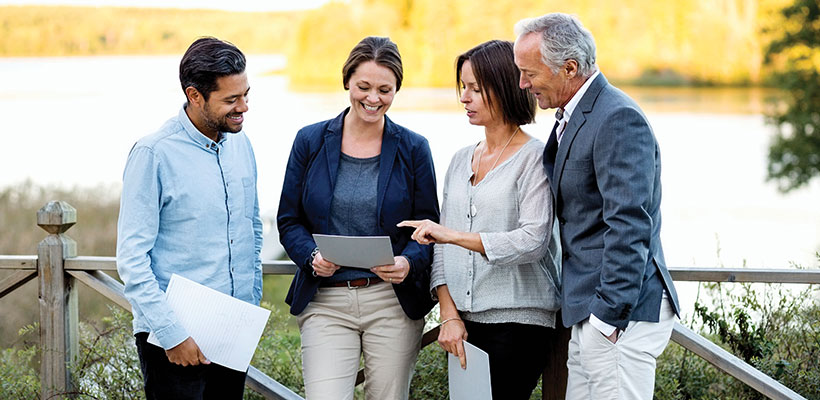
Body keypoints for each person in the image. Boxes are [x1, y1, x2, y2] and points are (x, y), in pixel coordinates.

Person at [513, 13, 681, 400]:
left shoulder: (617, 118)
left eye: (529, 73)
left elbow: (629, 225)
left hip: (618, 317)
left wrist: (607, 318)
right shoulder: (576, 115)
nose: (523, 83)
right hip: (590, 312)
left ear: (569, 68)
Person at [277, 36, 439, 400]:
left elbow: (428, 227)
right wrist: (311, 257)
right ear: (347, 81)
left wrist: (407, 263)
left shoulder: (414, 148)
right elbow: (288, 220)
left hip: (392, 301)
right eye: (363, 87)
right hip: (325, 302)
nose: (373, 98)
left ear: (397, 89)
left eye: (385, 90)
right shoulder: (309, 140)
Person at [399, 39, 561, 400]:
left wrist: (452, 235)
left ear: (504, 87)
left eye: (475, 88)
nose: (464, 97)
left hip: (519, 323)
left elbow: (533, 241)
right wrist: (448, 313)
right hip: (463, 324)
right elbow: (439, 247)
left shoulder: (535, 158)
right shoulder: (460, 160)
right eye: (463, 87)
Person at [116, 37, 261, 400]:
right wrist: (172, 335)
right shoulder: (153, 154)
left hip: (233, 332)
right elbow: (132, 259)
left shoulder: (241, 144)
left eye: (246, 94)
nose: (243, 107)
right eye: (231, 99)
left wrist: (251, 305)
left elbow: (252, 227)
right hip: (174, 340)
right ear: (195, 95)